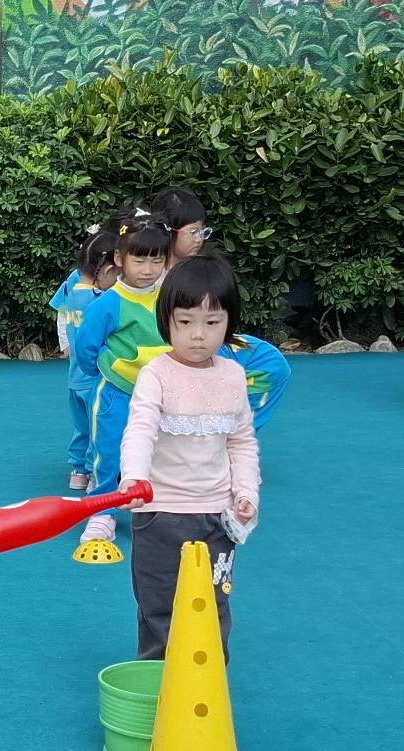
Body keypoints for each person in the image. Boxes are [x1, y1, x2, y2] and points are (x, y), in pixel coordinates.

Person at [118, 255, 260, 662]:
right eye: (185, 321)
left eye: (212, 322)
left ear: (229, 322)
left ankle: (207, 682)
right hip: (159, 513)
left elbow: (241, 442)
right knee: (159, 604)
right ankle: (157, 682)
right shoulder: (156, 375)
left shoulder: (233, 376)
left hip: (217, 516)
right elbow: (140, 430)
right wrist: (134, 477)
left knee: (213, 604)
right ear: (167, 320)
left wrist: (246, 493)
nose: (199, 335)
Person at [71, 210, 172, 548]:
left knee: (161, 452)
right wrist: (106, 371)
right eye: (139, 260)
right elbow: (85, 347)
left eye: (156, 261)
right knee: (109, 452)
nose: (148, 269)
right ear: (119, 259)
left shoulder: (169, 297)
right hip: (116, 392)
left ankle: (157, 508)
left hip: (162, 395)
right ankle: (102, 512)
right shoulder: (108, 303)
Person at [58, 227, 118, 491]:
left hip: (75, 378)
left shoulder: (71, 292)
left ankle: (78, 471)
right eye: (117, 275)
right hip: (95, 377)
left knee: (82, 426)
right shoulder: (101, 299)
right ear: (107, 271)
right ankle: (96, 475)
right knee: (99, 427)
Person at [151, 187, 212, 273]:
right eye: (193, 232)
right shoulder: (151, 274)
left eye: (203, 231)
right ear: (167, 231)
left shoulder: (201, 270)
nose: (199, 239)